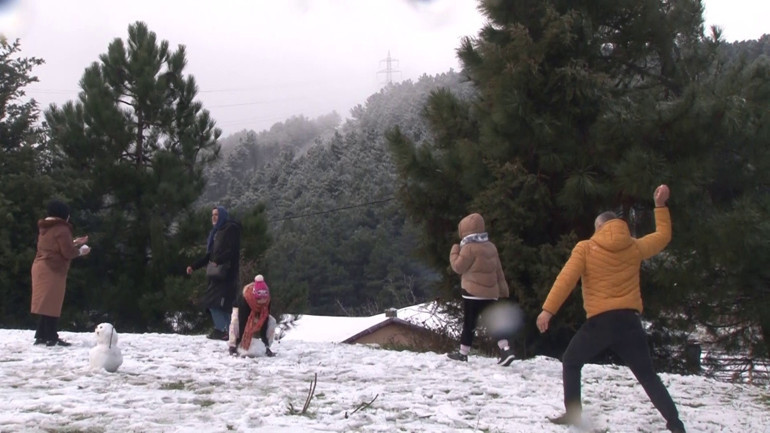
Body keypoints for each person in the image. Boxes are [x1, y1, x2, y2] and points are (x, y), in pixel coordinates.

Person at [536, 185, 686, 433]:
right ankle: (676, 424)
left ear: (599, 227)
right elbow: (663, 237)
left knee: (572, 361)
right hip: (629, 323)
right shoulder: (634, 246)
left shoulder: (586, 247)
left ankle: (574, 414)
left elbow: (566, 279)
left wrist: (547, 310)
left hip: (600, 322)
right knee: (648, 376)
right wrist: (660, 206)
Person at [447, 213, 515, 366]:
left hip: (472, 293)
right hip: (491, 293)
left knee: (469, 324)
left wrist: (454, 250)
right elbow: (499, 271)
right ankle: (506, 349)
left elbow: (458, 267)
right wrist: (503, 289)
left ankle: (463, 353)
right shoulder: (491, 247)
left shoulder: (468, 248)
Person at [30, 199, 91, 347]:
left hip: (40, 266)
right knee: (53, 303)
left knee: (46, 302)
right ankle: (51, 336)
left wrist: (75, 241)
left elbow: (54, 246)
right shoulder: (62, 228)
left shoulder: (45, 227)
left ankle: (41, 335)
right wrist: (81, 251)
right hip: (53, 268)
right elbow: (67, 252)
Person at [187, 206, 242, 340]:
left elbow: (231, 251)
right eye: (212, 215)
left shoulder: (229, 229)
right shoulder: (217, 233)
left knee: (216, 303)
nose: (214, 217)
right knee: (219, 304)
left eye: (216, 214)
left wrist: (219, 260)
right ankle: (228, 331)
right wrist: (194, 266)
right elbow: (210, 256)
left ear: (222, 215)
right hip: (217, 275)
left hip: (226, 275)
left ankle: (223, 330)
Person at [228, 274, 276, 357]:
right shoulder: (245, 299)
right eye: (259, 299)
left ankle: (267, 346)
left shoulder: (267, 301)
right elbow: (242, 321)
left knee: (272, 321)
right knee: (235, 321)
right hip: (240, 309)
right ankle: (233, 345)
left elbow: (265, 318)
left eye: (264, 299)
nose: (262, 301)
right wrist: (241, 342)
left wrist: (264, 340)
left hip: (258, 312)